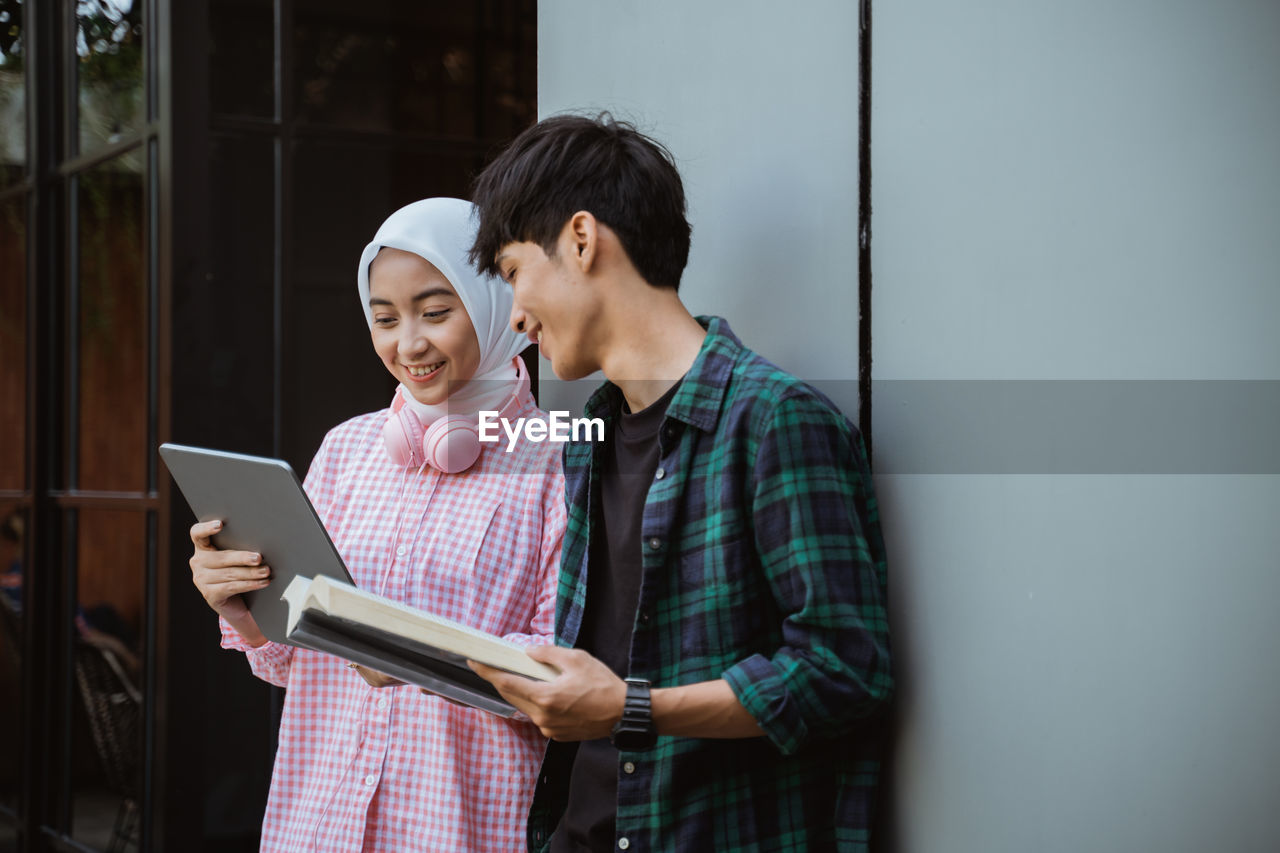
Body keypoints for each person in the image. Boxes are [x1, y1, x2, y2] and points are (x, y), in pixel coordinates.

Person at [466, 114, 893, 852]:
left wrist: (632, 708)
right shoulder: (589, 442)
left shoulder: (773, 421)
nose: (519, 316)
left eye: (512, 274)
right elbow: (592, 680)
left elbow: (842, 671)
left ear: (580, 238)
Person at [188, 198, 566, 852]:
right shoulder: (345, 450)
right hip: (319, 820)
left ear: (498, 304)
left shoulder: (558, 462)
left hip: (459, 829)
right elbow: (285, 663)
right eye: (384, 318)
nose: (408, 343)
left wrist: (414, 656)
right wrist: (240, 607)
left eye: (436, 311)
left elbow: (563, 682)